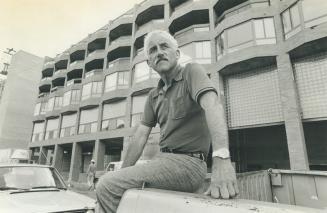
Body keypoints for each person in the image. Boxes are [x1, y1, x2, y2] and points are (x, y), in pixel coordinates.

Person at [96, 30, 238, 213]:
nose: (159, 52)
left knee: (106, 185)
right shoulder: (153, 96)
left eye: (164, 46)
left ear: (177, 53)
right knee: (121, 191)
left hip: (188, 163)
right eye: (153, 50)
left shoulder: (191, 72)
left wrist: (222, 159)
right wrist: (122, 173)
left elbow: (213, 106)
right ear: (149, 63)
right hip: (162, 161)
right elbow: (140, 137)